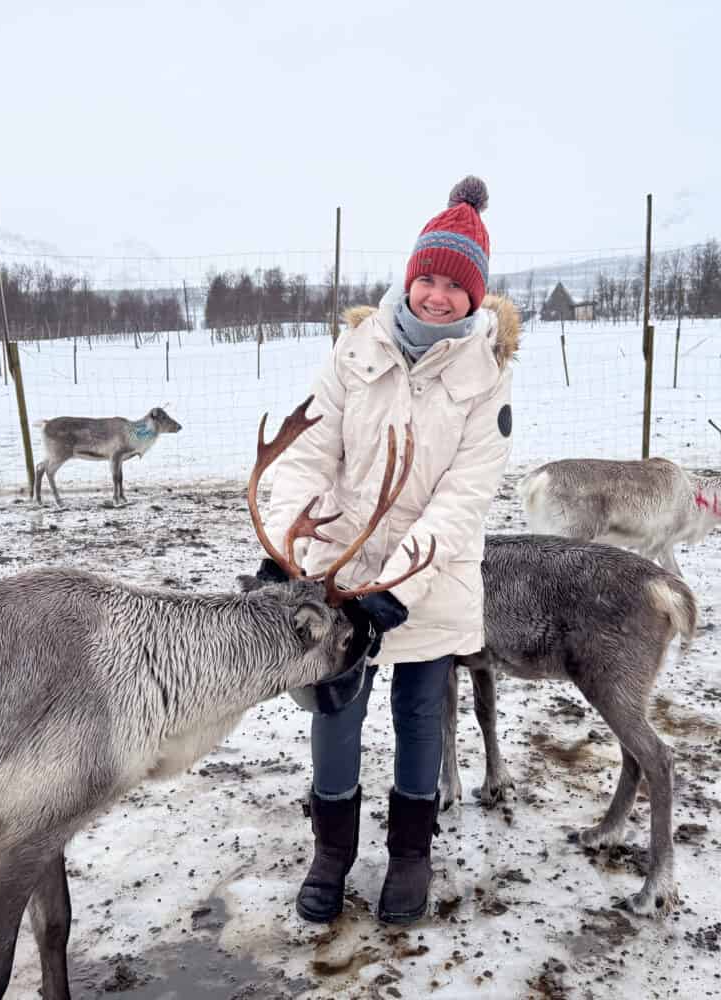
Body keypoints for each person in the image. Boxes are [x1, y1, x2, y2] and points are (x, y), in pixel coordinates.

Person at [256, 176, 520, 925]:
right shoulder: (354, 349)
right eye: (427, 279)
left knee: (417, 712)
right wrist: (286, 547)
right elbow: (308, 450)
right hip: (337, 569)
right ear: (409, 278)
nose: (437, 296)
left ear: (476, 298)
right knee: (334, 707)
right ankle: (331, 852)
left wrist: (398, 588)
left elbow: (462, 501)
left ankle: (411, 853)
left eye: (454, 287)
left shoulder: (486, 380)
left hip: (428, 580)